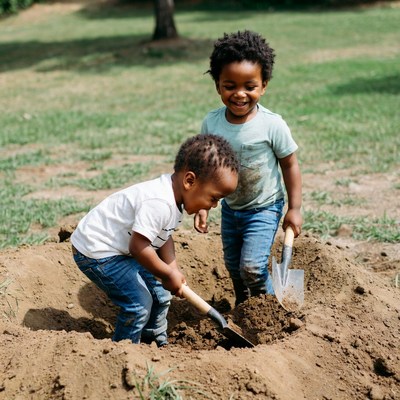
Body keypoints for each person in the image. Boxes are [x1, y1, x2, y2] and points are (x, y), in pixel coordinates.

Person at [71, 134, 239, 346]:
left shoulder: (175, 197)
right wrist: (167, 273)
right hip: (97, 251)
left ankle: (155, 343)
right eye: (213, 198)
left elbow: (163, 237)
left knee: (161, 295)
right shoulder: (160, 202)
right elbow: (139, 246)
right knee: (139, 304)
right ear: (190, 181)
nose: (214, 205)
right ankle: (125, 350)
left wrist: (172, 268)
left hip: (123, 248)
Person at [195, 30, 303, 306]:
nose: (240, 94)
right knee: (234, 267)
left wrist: (294, 208)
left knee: (252, 267)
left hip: (264, 207)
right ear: (218, 85)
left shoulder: (271, 124)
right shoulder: (212, 123)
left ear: (264, 85)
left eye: (250, 86)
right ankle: (244, 306)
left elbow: (289, 164)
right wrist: (204, 206)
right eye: (230, 85)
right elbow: (208, 168)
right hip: (232, 209)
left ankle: (269, 308)